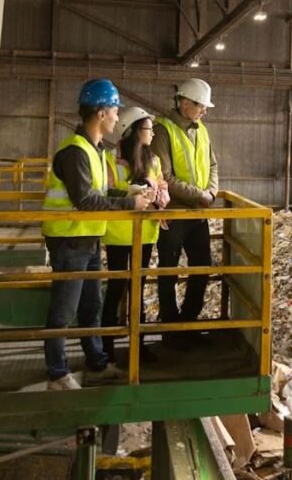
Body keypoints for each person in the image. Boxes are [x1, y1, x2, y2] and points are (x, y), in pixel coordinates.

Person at [42, 78, 151, 390]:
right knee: (64, 309)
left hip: (88, 239)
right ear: (102, 113)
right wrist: (129, 202)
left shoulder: (93, 150)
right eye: (115, 110)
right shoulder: (75, 151)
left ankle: (96, 363)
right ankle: (57, 374)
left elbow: (99, 191)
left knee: (91, 306)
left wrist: (127, 189)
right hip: (69, 239)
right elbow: (85, 200)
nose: (118, 117)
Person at [150, 78, 218, 342]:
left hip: (198, 213)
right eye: (201, 106)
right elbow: (164, 176)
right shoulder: (163, 131)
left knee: (202, 266)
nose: (204, 111)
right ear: (185, 103)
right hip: (174, 213)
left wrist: (211, 191)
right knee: (169, 269)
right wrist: (199, 195)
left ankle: (188, 322)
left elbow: (213, 165)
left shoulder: (201, 128)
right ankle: (170, 328)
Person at [102, 106, 169, 364]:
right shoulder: (109, 158)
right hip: (119, 233)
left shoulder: (153, 160)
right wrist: (130, 194)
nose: (152, 133)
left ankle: (138, 347)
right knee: (116, 289)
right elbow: (105, 191)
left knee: (139, 289)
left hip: (146, 232)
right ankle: (106, 347)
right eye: (148, 129)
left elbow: (163, 187)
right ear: (132, 131)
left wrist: (158, 196)